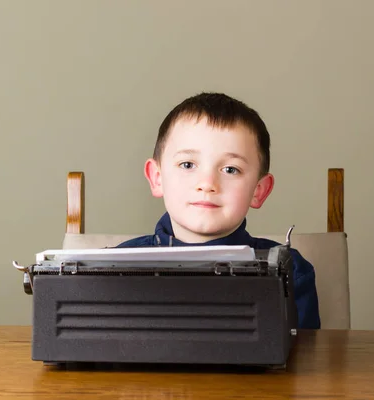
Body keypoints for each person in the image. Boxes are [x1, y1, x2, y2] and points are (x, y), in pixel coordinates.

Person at [116, 92, 321, 329]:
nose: (207, 184)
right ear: (157, 178)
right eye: (187, 165)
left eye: (231, 169)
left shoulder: (289, 272)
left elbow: (307, 362)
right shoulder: (114, 269)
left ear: (259, 190)